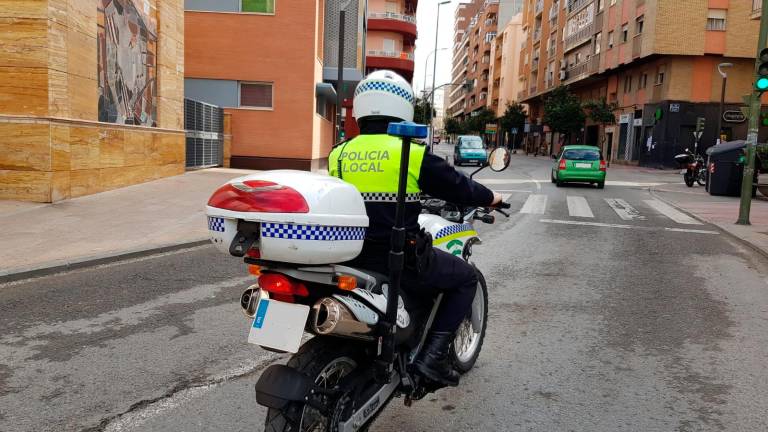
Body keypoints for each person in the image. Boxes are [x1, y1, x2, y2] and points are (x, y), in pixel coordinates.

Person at [329, 70, 502, 387]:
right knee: (464, 278)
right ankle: (431, 359)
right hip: (398, 259)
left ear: (361, 109)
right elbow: (458, 186)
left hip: (351, 255)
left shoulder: (338, 153)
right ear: (402, 107)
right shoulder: (410, 152)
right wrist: (492, 197)